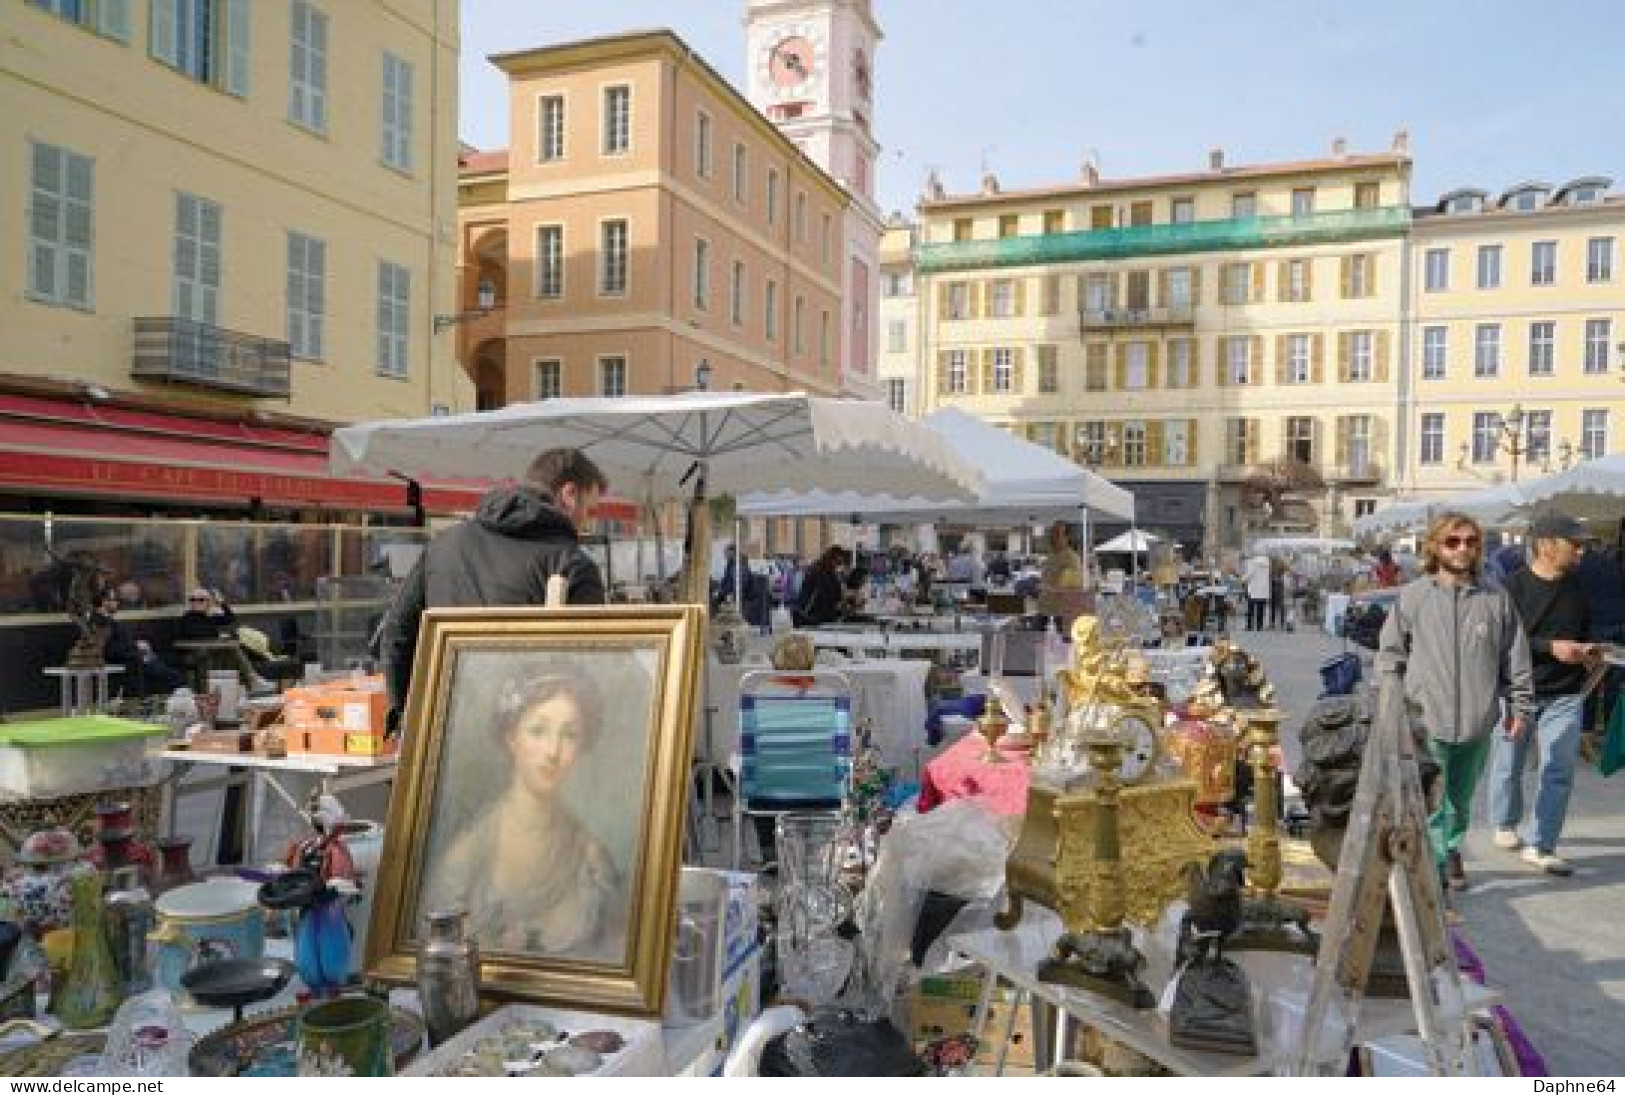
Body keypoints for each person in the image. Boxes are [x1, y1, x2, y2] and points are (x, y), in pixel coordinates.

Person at [379, 448, 609, 732]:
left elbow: (397, 632)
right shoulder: (571, 564)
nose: (588, 524)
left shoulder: (445, 544)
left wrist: (405, 719)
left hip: (443, 731)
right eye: (590, 511)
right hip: (518, 742)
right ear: (569, 494)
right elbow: (589, 670)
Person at [1376, 512, 1533, 892]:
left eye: (1470, 542)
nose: (1462, 548)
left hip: (1478, 719)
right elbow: (1389, 657)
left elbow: (1516, 655)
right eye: (1453, 541)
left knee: (1460, 798)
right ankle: (1437, 859)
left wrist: (1520, 706)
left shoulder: (1495, 598)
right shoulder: (1414, 597)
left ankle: (1449, 846)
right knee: (1433, 796)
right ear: (1435, 546)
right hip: (1427, 717)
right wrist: (1389, 708)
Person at [425, 671, 624, 958]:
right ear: (511, 738)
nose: (553, 751)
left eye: (569, 735)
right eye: (538, 730)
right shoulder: (467, 856)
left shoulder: (592, 859)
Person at [1487, 511, 1600, 877]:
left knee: (1558, 769)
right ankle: (1505, 821)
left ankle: (1541, 845)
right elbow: (1500, 643)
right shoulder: (1511, 588)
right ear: (1547, 546)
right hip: (1516, 693)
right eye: (1575, 545)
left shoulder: (1580, 589)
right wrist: (1551, 647)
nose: (1581, 552)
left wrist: (1589, 653)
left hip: (1565, 694)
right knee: (1508, 767)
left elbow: (1582, 634)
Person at [94, 591, 183, 697]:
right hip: (127, 664)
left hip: (134, 660)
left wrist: (137, 645)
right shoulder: (101, 623)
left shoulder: (108, 621)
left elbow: (118, 643)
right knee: (173, 676)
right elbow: (109, 649)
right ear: (104, 602)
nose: (117, 603)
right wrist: (136, 648)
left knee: (169, 663)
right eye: (114, 600)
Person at [793, 545, 850, 627]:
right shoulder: (819, 573)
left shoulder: (829, 574)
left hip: (818, 620)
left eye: (840, 563)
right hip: (812, 621)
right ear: (830, 559)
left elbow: (837, 598)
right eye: (838, 562)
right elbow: (828, 599)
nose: (838, 566)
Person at [1243, 553, 1271, 632]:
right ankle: (1259, 626)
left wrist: (1242, 579)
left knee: (1250, 608)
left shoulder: (1252, 563)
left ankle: (1249, 626)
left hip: (1254, 589)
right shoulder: (1267, 562)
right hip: (1264, 589)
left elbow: (1249, 575)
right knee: (1261, 609)